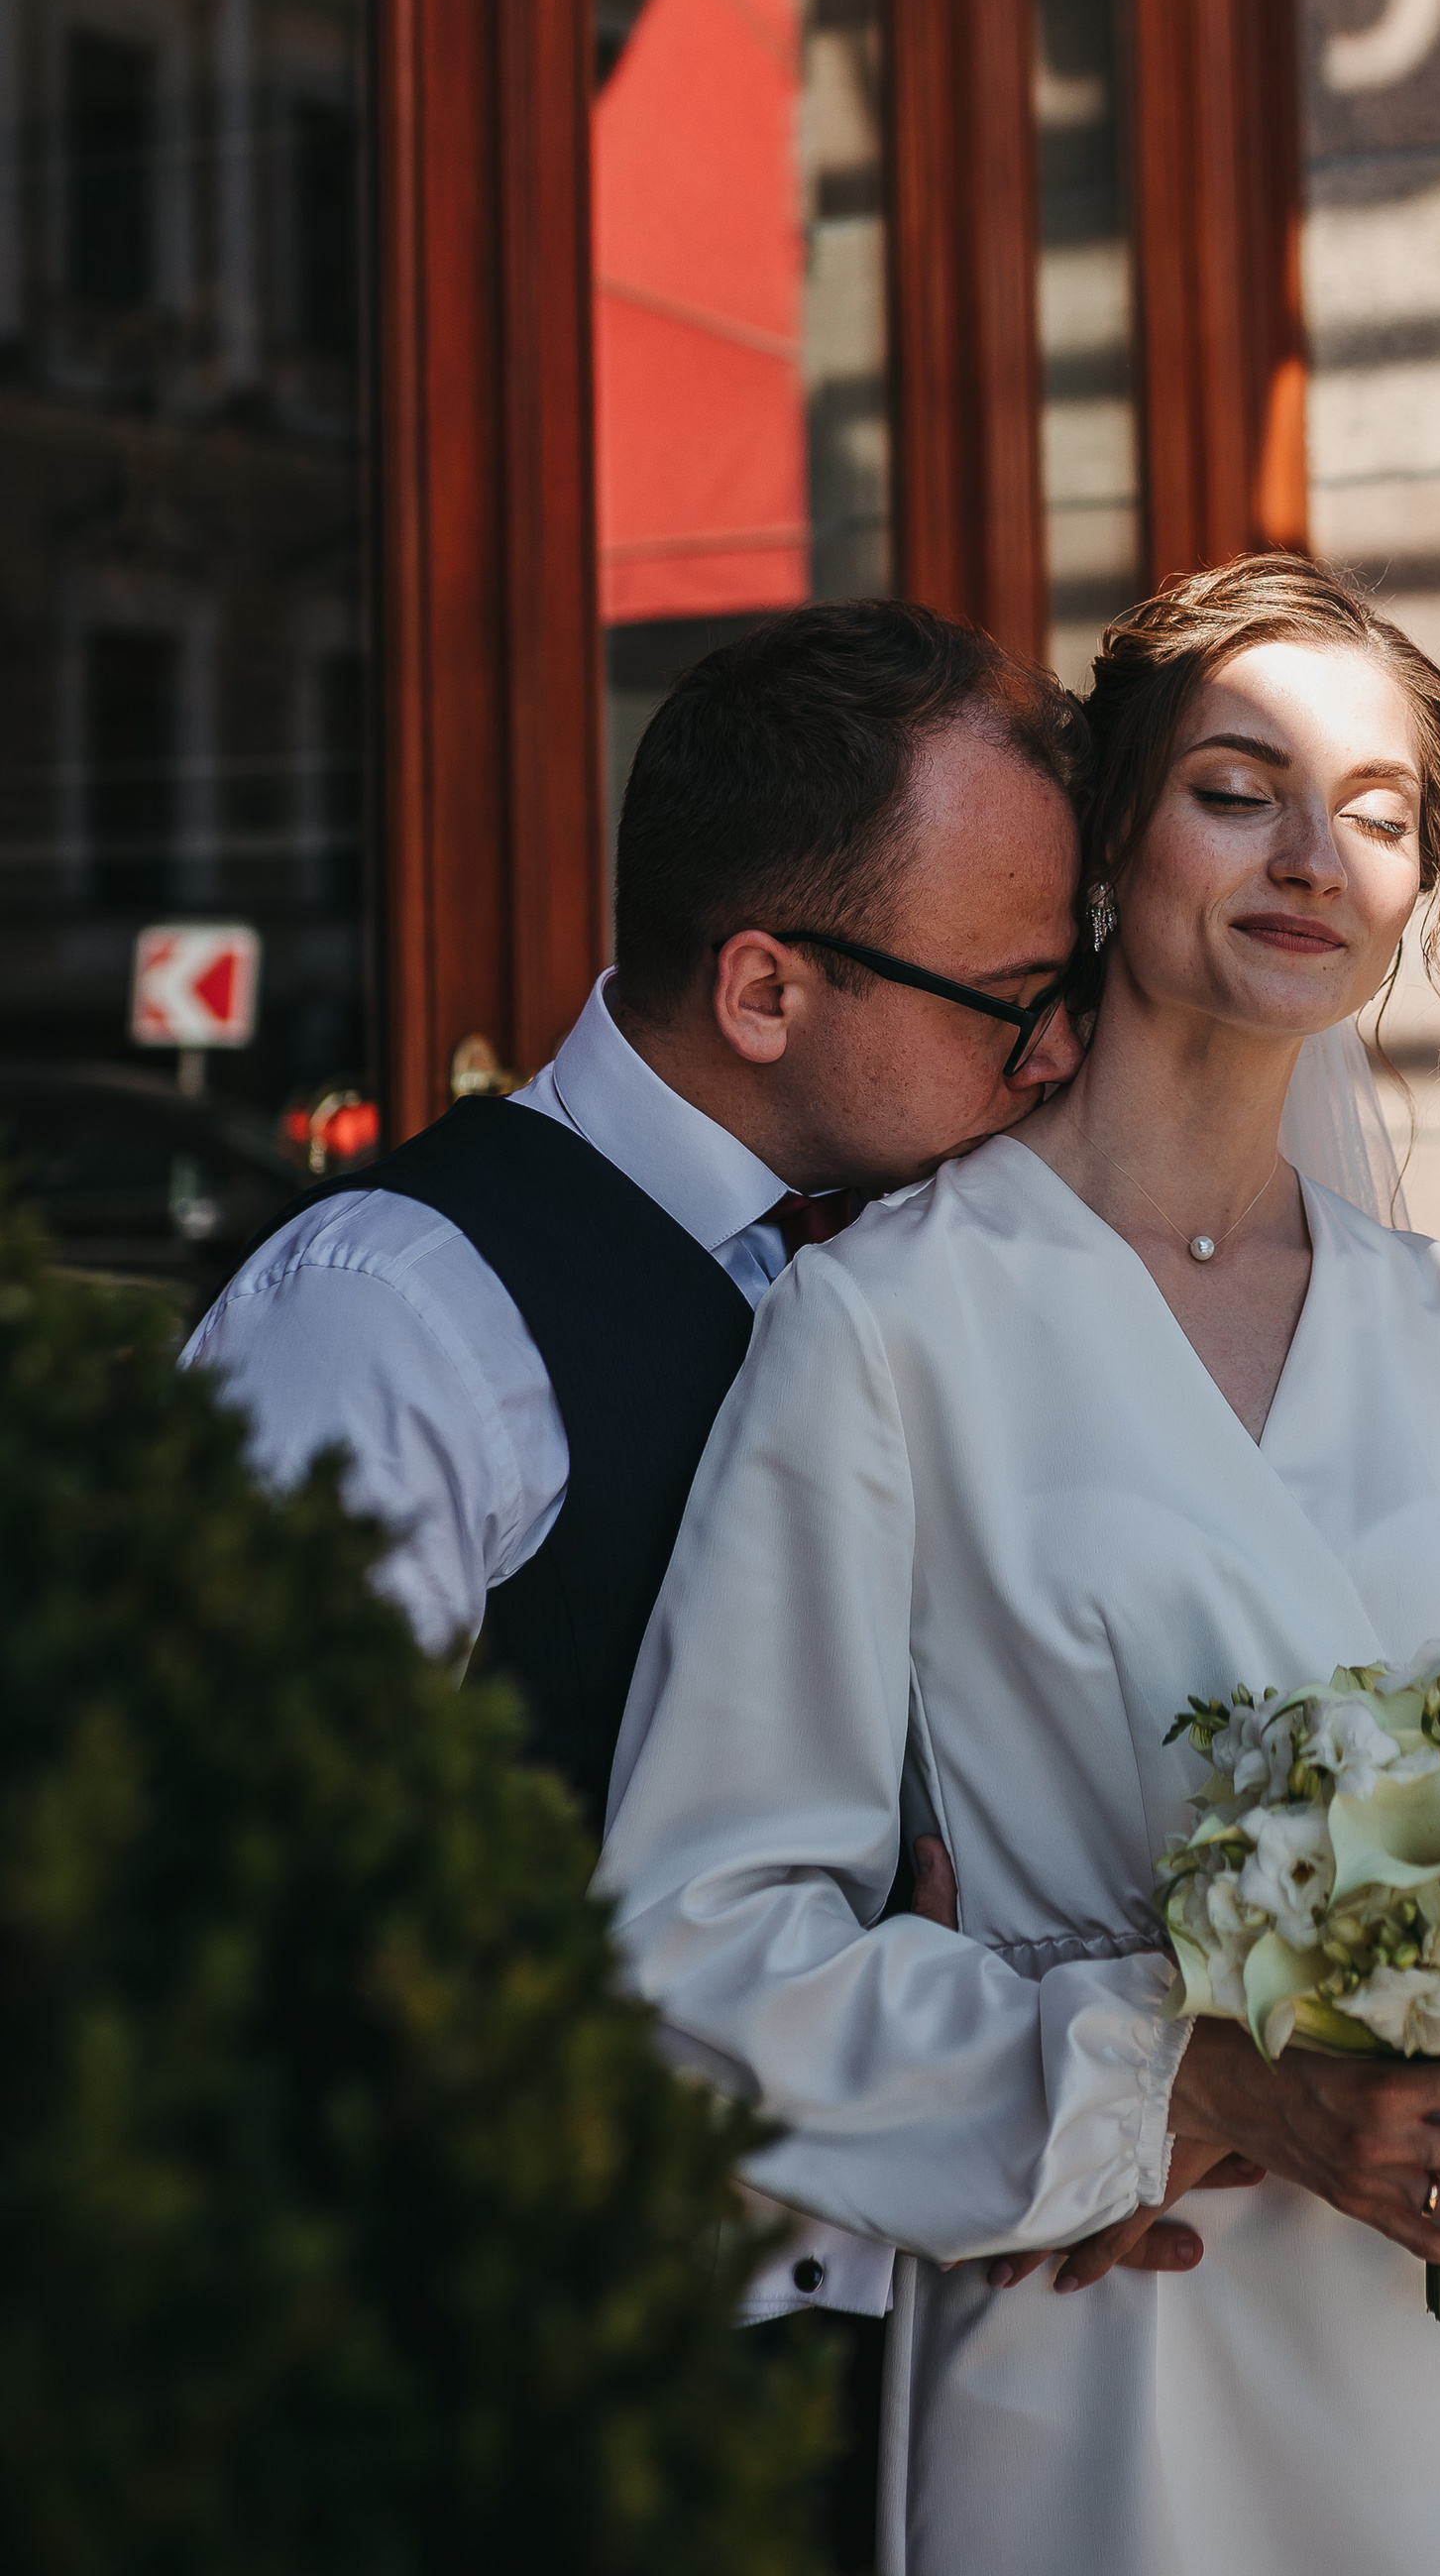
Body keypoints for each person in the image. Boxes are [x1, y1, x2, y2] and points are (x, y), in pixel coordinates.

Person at [600, 555, 1440, 2576]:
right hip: (1114, 2327)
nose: (1308, 854)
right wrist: (1181, 2083)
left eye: (1376, 814)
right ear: (1111, 835)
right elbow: (700, 1932)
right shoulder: (892, 1325)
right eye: (1235, 786)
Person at [180, 600, 1161, 2563]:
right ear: (765, 988)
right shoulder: (394, 1315)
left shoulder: (913, 1283)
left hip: (883, 2371)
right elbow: (237, 1936)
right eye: (1002, 996)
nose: (1051, 1052)